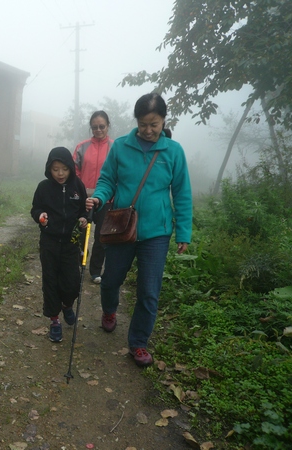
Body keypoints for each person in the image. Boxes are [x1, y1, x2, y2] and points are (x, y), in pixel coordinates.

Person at [85, 93, 192, 367]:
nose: (148, 130)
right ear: (136, 122)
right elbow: (108, 180)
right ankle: (109, 311)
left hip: (156, 233)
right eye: (143, 124)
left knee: (149, 291)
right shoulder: (121, 147)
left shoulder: (174, 152)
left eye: (154, 124)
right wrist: (98, 196)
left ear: (163, 121)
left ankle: (138, 342)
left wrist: (183, 233)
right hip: (121, 228)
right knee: (110, 281)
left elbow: (182, 194)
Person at [31, 147, 87, 343]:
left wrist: (83, 218)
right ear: (49, 169)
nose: (60, 173)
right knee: (51, 281)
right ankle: (54, 320)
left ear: (71, 168)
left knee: (72, 281)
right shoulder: (43, 187)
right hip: (49, 243)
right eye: (55, 169)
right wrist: (40, 216)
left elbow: (84, 210)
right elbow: (35, 209)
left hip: (71, 243)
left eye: (64, 168)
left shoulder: (77, 187)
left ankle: (67, 305)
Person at [73, 111, 114, 284]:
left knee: (101, 237)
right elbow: (74, 172)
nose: (98, 130)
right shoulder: (82, 147)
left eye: (102, 126)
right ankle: (77, 266)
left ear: (108, 126)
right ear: (91, 127)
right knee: (81, 233)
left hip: (107, 200)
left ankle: (95, 271)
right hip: (85, 200)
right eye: (95, 127)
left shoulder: (115, 147)